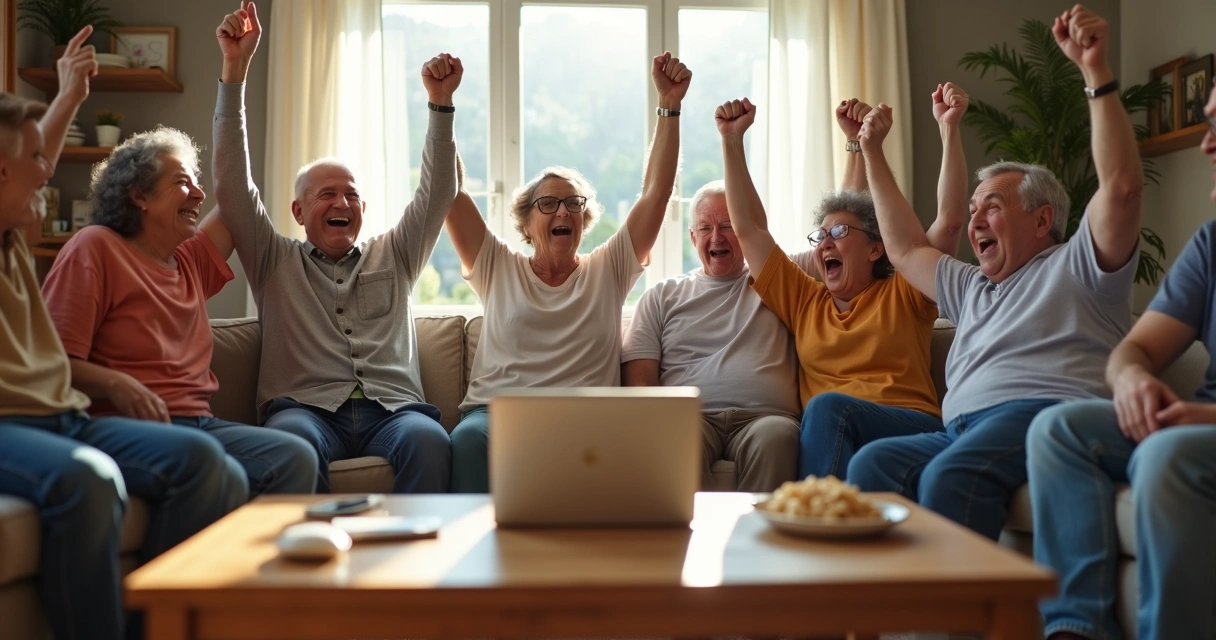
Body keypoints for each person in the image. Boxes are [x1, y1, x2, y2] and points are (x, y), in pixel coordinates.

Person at [850, 4, 1142, 541]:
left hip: (1043, 415)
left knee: (950, 475)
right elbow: (904, 247)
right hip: (960, 428)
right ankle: (879, 619)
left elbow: (1122, 188)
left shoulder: (1081, 263)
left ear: (1042, 219)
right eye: (973, 209)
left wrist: (1095, 73)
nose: (973, 221)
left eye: (991, 207)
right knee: (872, 466)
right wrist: (870, 150)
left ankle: (953, 623)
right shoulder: (972, 286)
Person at [0, 28, 240, 640]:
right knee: (90, 478)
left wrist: (71, 95)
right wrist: (65, 100)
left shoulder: (10, 240)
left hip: (64, 417)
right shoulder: (89, 247)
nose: (49, 173)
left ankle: (172, 625)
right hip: (13, 424)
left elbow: (33, 162)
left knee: (207, 462)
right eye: (34, 164)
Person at [212, 2, 460, 493]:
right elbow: (232, 183)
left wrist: (439, 104)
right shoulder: (273, 260)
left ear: (363, 208)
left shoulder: (396, 254)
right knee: (291, 447)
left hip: (395, 412)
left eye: (350, 194)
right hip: (304, 412)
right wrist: (234, 72)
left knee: (430, 440)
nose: (341, 201)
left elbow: (438, 194)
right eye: (326, 194)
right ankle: (315, 561)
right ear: (299, 212)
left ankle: (413, 568)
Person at [446, 53, 692, 493]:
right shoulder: (497, 266)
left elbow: (657, 193)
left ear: (584, 218)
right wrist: (441, 105)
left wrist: (669, 106)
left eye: (574, 204)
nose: (563, 210)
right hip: (496, 414)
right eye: (549, 203)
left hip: (586, 418)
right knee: (466, 440)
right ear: (526, 222)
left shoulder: (608, 269)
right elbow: (451, 193)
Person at [1025, 86, 1216, 640]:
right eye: (1206, 124)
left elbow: (1124, 189)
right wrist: (1131, 377)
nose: (1206, 145)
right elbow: (1134, 350)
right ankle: (1074, 628)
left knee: (1167, 455)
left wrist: (1200, 419)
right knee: (1058, 429)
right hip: (1190, 422)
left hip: (1195, 434)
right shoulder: (1209, 247)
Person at [41, 125, 318, 498]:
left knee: (295, 456)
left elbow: (235, 192)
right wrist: (116, 382)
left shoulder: (189, 261)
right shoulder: (96, 247)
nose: (200, 194)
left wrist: (233, 80)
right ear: (139, 194)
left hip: (198, 424)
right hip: (119, 424)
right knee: (210, 462)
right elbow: (53, 362)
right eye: (183, 182)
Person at [712, 84, 970, 483]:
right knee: (829, 413)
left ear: (874, 249)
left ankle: (817, 517)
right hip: (834, 432)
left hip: (910, 427)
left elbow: (951, 220)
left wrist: (949, 129)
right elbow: (750, 230)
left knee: (828, 408)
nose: (824, 243)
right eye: (820, 235)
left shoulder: (906, 290)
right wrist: (731, 142)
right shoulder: (804, 300)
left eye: (838, 232)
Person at [618, 98, 878, 491]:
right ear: (692, 238)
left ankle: (762, 548)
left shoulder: (782, 278)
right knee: (677, 440)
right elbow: (640, 384)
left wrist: (856, 145)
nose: (717, 237)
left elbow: (843, 232)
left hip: (766, 418)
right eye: (705, 228)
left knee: (777, 438)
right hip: (690, 418)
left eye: (728, 226)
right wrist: (657, 426)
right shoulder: (662, 296)